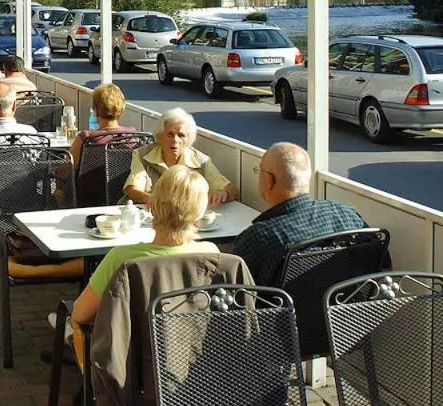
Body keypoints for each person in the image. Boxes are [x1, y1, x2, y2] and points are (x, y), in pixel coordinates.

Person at [72, 165, 219, 326]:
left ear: (152, 207)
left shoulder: (122, 259)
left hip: (133, 348)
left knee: (71, 322)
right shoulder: (212, 255)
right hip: (193, 347)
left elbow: (81, 315)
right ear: (199, 217)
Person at [233, 142, 367, 286]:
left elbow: (233, 289)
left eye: (259, 171)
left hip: (282, 308)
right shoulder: (347, 215)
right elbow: (381, 263)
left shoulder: (259, 238)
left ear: (268, 181)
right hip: (344, 306)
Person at [123, 108, 238, 207]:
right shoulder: (143, 155)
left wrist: (223, 193)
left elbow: (233, 190)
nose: (175, 140)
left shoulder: (201, 161)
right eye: (170, 134)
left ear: (189, 140)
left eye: (181, 135)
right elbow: (132, 190)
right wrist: (150, 199)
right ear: (160, 136)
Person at [69, 83, 136, 171]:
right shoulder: (132, 136)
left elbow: (66, 170)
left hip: (92, 184)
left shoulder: (87, 138)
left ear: (96, 109)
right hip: (123, 185)